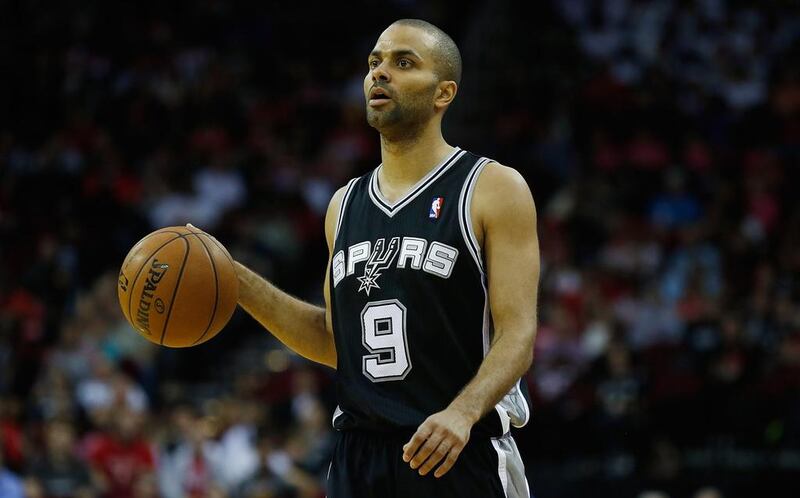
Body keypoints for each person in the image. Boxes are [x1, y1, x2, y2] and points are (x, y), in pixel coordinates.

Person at [204, 18, 540, 497]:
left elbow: (518, 334)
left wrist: (462, 412)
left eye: (404, 63)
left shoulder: (492, 187)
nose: (380, 73)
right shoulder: (343, 205)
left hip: (457, 451)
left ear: (444, 93)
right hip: (359, 461)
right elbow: (334, 341)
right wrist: (233, 278)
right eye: (375, 62)